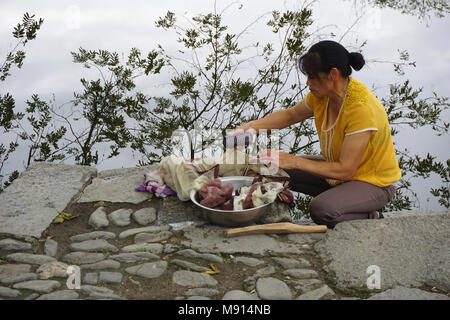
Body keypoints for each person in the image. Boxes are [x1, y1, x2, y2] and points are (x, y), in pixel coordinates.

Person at [229, 40, 401, 229]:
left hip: (372, 183)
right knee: (274, 170)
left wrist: (293, 160)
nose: (307, 83)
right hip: (340, 175)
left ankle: (371, 215)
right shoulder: (322, 96)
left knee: (322, 210)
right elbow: (290, 115)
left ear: (333, 74)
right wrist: (250, 128)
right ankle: (342, 197)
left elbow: (346, 169)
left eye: (312, 77)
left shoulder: (360, 108)